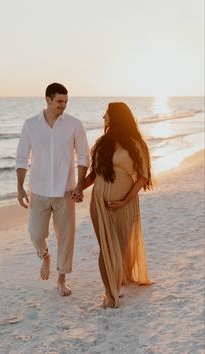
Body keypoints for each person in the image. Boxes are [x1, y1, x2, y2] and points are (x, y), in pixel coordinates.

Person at [16, 83, 89, 296]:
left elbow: (84, 155)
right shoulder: (30, 125)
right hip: (38, 190)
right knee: (36, 233)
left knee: (66, 237)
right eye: (59, 101)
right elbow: (22, 157)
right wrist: (20, 187)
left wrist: (80, 185)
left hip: (66, 190)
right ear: (47, 99)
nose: (63, 106)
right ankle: (45, 255)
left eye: (66, 102)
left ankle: (62, 278)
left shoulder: (74, 124)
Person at [84, 102, 153, 308]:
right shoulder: (101, 143)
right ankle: (110, 293)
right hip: (99, 201)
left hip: (126, 203)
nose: (103, 117)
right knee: (105, 247)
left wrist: (125, 200)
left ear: (116, 117)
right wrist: (79, 188)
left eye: (106, 114)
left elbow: (143, 177)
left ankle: (116, 283)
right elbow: (95, 174)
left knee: (121, 248)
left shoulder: (136, 144)